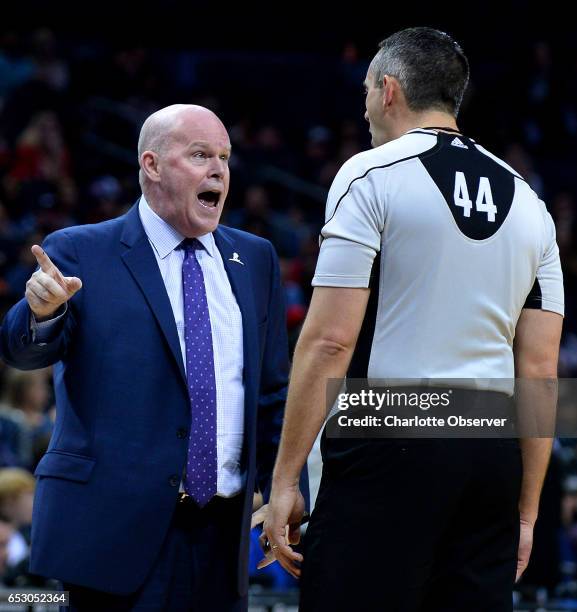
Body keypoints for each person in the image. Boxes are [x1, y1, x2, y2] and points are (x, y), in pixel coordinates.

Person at [264, 27, 564, 612]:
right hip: (490, 448)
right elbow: (541, 371)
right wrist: (526, 513)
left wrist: (284, 481)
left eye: (367, 91)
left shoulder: (369, 174)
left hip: (388, 431)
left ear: (389, 90)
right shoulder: (531, 203)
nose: (366, 106)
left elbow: (328, 340)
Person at [1, 104, 307, 611]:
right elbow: (22, 349)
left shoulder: (255, 258)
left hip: (221, 536)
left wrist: (285, 485)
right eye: (200, 155)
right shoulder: (82, 251)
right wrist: (42, 311)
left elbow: (271, 392)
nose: (218, 171)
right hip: (113, 533)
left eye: (225, 158)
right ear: (152, 165)